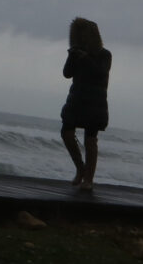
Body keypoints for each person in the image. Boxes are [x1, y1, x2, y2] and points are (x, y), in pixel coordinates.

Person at [60, 16, 111, 189]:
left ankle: (89, 178)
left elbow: (100, 73)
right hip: (76, 99)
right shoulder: (77, 52)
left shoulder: (105, 55)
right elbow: (67, 73)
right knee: (66, 132)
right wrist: (72, 55)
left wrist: (85, 58)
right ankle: (80, 169)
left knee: (90, 139)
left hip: (95, 103)